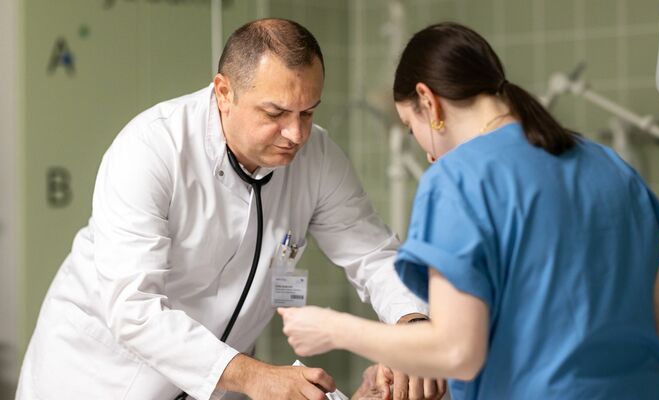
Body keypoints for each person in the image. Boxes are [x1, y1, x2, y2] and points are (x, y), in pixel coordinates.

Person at [16, 19, 447, 400]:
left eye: (308, 111)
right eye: (276, 112)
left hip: (217, 384)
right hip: (95, 379)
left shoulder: (317, 158)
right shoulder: (152, 150)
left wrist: (412, 325)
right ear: (224, 92)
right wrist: (256, 377)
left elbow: (372, 255)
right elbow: (133, 309)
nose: (296, 133)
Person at [279, 22, 659, 399]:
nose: (425, 152)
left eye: (411, 127)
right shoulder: (612, 166)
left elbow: (458, 351)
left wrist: (334, 329)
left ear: (428, 100)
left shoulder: (459, 180)